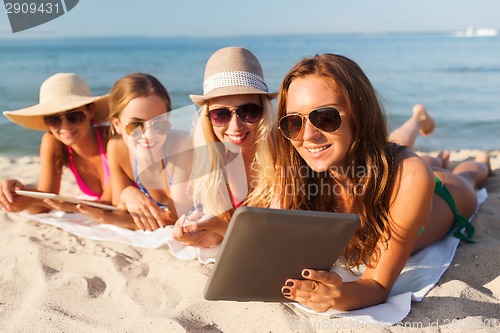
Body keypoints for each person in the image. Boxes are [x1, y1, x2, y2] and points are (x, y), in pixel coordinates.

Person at [258, 53, 491, 311]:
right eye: (293, 123)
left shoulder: (410, 176)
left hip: (441, 196)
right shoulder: (295, 170)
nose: (309, 135)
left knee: (467, 176)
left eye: (325, 118)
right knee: (392, 150)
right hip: (383, 167)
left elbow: (378, 286)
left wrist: (338, 296)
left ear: (360, 112)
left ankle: (481, 160)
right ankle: (418, 120)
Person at [172, 47, 278, 247]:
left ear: (264, 111)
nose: (235, 126)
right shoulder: (212, 160)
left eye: (248, 111)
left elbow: (271, 240)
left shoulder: (281, 157)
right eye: (221, 114)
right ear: (208, 118)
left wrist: (218, 226)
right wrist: (197, 235)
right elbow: (226, 232)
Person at [81, 72, 193, 231]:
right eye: (135, 125)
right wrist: (127, 192)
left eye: (159, 124)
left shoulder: (182, 146)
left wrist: (105, 218)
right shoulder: (117, 148)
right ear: (117, 124)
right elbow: (119, 207)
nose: (148, 134)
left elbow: (177, 220)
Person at [0, 73, 111, 214]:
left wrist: (64, 205)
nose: (65, 126)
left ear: (90, 110)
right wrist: (17, 194)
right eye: (53, 119)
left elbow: (113, 206)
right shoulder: (53, 141)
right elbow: (44, 203)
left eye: (73, 116)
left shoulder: (112, 141)